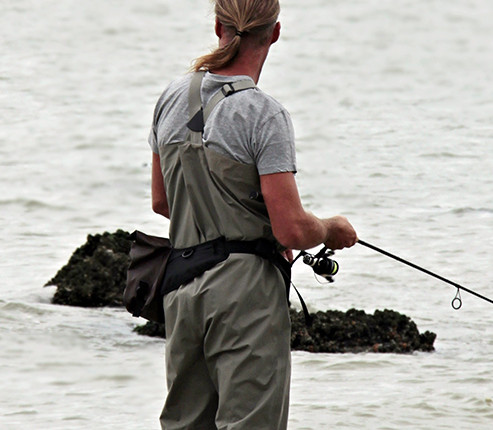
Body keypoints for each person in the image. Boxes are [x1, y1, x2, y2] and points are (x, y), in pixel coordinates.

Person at [147, 0, 358, 428]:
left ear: (219, 25)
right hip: (246, 296)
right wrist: (331, 229)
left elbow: (162, 202)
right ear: (275, 33)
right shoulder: (264, 114)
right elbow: (291, 227)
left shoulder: (170, 98)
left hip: (181, 288)